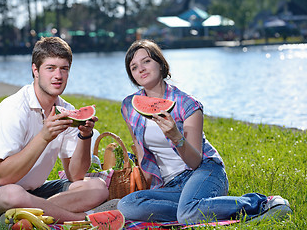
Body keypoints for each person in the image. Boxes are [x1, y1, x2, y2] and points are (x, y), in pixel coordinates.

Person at [117, 39, 292, 224]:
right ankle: (201, 209)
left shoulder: (187, 104)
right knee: (127, 205)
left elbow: (195, 161)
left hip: (204, 172)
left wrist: (176, 137)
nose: (141, 69)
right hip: (171, 186)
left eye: (147, 61)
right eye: (134, 67)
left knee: (186, 213)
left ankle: (262, 203)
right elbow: (142, 152)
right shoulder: (129, 106)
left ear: (160, 64)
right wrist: (144, 187)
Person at [0, 37, 109, 223]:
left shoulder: (66, 111)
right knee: (13, 195)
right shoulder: (13, 109)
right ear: (35, 70)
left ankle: (25, 214)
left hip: (32, 191)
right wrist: (44, 137)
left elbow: (75, 175)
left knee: (97, 187)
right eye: (50, 68)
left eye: (64, 69)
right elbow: (3, 177)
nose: (58, 76)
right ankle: (80, 219)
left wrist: (85, 136)